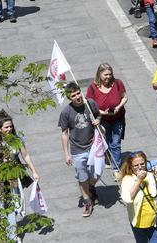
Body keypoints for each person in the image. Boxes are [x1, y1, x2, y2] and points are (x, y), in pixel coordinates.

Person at [58, 81, 103, 218]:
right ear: (69, 97)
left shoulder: (90, 103)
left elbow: (98, 114)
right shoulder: (66, 112)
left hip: (93, 145)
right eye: (74, 95)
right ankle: (87, 201)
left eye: (78, 93)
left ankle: (90, 188)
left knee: (97, 173)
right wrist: (66, 154)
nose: (77, 97)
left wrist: (98, 120)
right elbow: (64, 133)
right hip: (77, 149)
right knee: (82, 176)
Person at [118, 151, 157, 243]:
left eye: (142, 164)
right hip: (138, 224)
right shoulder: (127, 179)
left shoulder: (151, 176)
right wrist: (139, 180)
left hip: (155, 223)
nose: (140, 167)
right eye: (136, 165)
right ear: (131, 166)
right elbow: (127, 198)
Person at [86, 63, 128, 170]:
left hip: (117, 118)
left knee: (116, 143)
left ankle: (116, 169)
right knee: (106, 142)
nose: (108, 77)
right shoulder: (92, 88)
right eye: (105, 75)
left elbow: (125, 97)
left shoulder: (117, 83)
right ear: (99, 74)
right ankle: (108, 157)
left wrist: (118, 106)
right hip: (102, 120)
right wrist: (102, 113)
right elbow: (89, 105)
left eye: (110, 74)